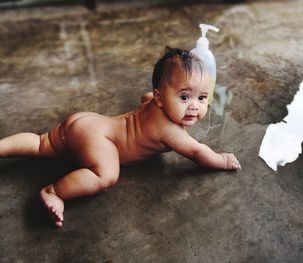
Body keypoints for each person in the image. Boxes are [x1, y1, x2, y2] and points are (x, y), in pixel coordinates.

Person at [0, 47, 241, 227]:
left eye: (202, 98)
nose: (194, 107)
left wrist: (168, 98)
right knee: (106, 175)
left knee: (40, 143)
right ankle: (54, 192)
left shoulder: (152, 101)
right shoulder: (170, 130)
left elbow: (144, 97)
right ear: (160, 98)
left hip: (87, 122)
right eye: (184, 97)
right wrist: (221, 160)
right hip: (101, 142)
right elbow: (197, 151)